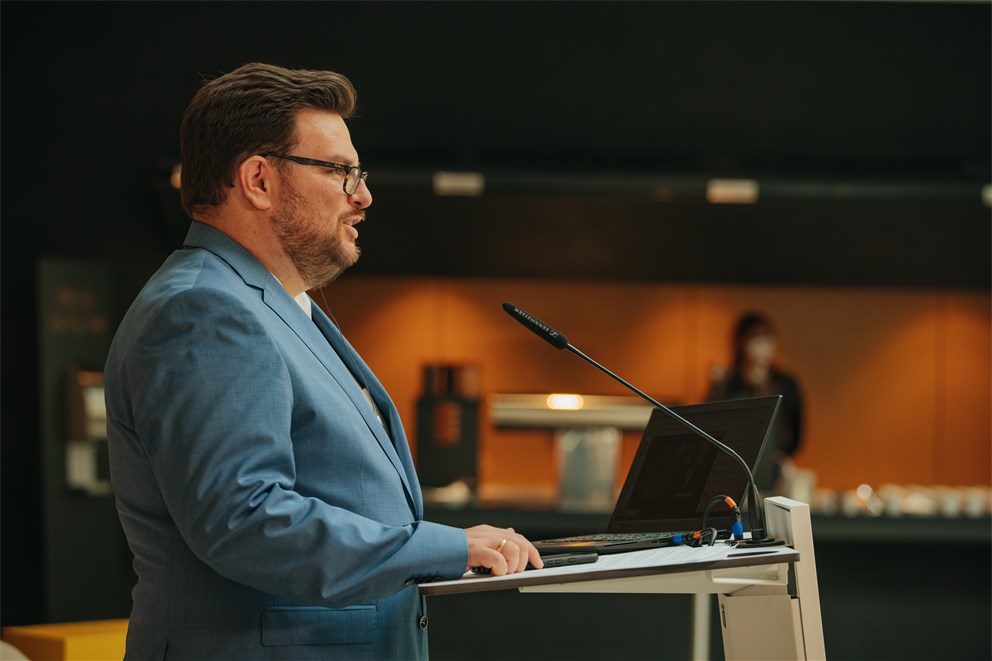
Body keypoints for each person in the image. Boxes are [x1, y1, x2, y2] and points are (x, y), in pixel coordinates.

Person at [104, 62, 542, 661]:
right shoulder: (204, 309)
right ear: (258, 179)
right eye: (340, 171)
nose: (363, 195)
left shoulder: (273, 304)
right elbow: (245, 519)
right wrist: (445, 548)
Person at [707, 312, 804, 494]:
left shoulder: (785, 383)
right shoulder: (726, 383)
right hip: (731, 472)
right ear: (741, 342)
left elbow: (797, 429)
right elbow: (710, 425)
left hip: (771, 475)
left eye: (766, 337)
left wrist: (783, 456)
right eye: (754, 337)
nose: (761, 343)